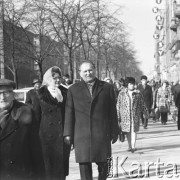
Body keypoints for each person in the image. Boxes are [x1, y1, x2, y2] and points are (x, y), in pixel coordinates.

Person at [64, 61, 119, 180]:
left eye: (90, 70)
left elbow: (112, 112)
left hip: (102, 133)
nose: (88, 73)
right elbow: (69, 113)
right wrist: (68, 133)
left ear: (94, 70)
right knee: (84, 167)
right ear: (80, 73)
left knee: (105, 165)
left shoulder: (107, 87)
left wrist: (115, 130)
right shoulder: (73, 90)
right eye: (85, 71)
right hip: (82, 135)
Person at [0, 79, 45, 179]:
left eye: (6, 93)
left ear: (13, 94)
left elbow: (35, 148)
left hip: (21, 172)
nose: (2, 97)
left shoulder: (26, 111)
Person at [38, 66, 71, 180]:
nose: (58, 80)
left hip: (62, 137)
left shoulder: (66, 92)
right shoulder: (40, 94)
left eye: (59, 78)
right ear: (47, 79)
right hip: (46, 138)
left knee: (61, 170)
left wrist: (69, 133)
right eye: (54, 78)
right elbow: (37, 118)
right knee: (48, 169)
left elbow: (69, 115)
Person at [117, 77, 148, 153]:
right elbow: (118, 104)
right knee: (128, 131)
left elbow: (142, 104)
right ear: (127, 84)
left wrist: (146, 113)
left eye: (133, 84)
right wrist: (118, 115)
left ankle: (133, 146)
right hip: (125, 115)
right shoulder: (122, 93)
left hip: (135, 115)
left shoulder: (138, 93)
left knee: (134, 130)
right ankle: (129, 145)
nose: (132, 85)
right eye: (130, 84)